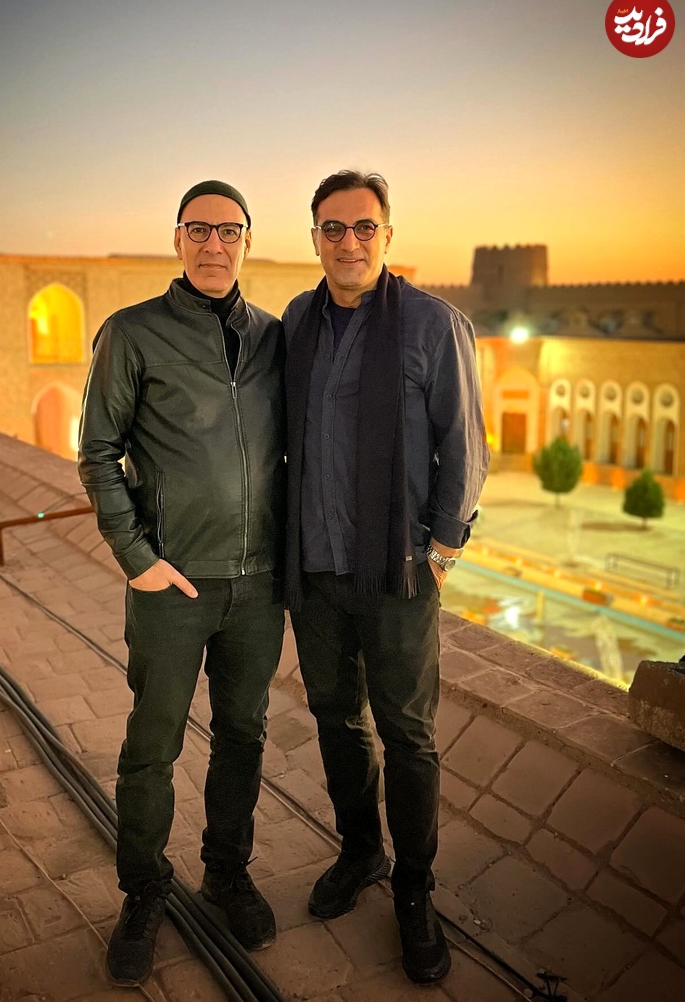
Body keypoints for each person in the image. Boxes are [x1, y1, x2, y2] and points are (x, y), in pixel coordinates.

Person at [283, 170, 488, 984]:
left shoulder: (431, 324)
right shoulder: (297, 322)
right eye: (333, 228)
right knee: (336, 719)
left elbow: (463, 446)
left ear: (387, 236)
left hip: (398, 572)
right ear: (315, 239)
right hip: (316, 568)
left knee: (406, 735)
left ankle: (413, 887)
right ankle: (360, 851)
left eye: (363, 227)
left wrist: (441, 551)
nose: (349, 242)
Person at [78, 180, 286, 987]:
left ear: (246, 242)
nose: (213, 245)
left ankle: (225, 873)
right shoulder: (132, 333)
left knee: (243, 736)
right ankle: (143, 892)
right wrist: (137, 558)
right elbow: (98, 451)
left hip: (258, 586)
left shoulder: (272, 338)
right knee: (152, 746)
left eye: (228, 231)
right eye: (198, 229)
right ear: (176, 239)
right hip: (172, 585)